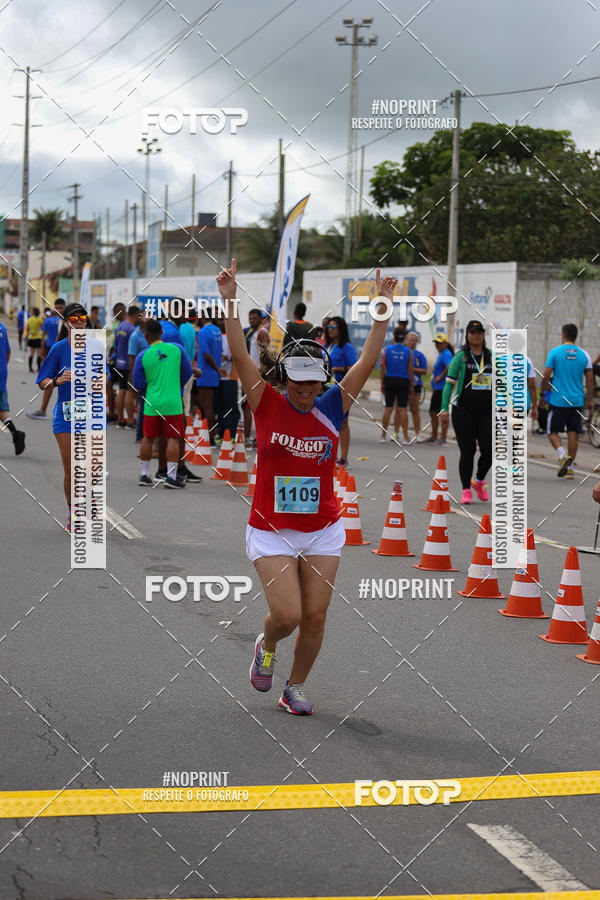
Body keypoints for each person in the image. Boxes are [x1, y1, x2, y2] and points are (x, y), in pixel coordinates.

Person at [218, 258, 396, 716]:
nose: (305, 389)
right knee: (289, 615)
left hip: (322, 528)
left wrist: (382, 311)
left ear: (323, 379)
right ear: (286, 379)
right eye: (297, 381)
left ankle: (293, 687)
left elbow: (368, 359)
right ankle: (267, 643)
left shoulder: (334, 404)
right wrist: (231, 299)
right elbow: (240, 355)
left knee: (316, 616)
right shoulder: (266, 403)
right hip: (271, 529)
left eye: (313, 381)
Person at [36, 303, 103, 531]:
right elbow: (42, 382)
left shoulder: (96, 346)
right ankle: (74, 513)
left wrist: (98, 382)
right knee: (72, 468)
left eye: (82, 318)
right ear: (65, 323)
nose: (79, 322)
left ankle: (91, 497)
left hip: (91, 414)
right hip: (66, 416)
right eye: (73, 319)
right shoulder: (58, 349)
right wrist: (57, 381)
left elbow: (104, 379)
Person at [133, 318, 193, 489]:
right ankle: (171, 477)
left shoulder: (142, 356)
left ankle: (144, 475)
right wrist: (176, 384)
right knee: (173, 438)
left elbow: (137, 383)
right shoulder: (177, 350)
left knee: (148, 438)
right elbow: (187, 372)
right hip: (173, 402)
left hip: (152, 402)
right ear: (162, 332)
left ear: (145, 336)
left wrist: (150, 387)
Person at [440, 319, 492, 505]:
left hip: (486, 411)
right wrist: (444, 408)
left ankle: (478, 480)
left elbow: (502, 384)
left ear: (483, 335)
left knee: (489, 450)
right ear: (467, 335)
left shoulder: (492, 356)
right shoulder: (460, 357)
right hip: (464, 411)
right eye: (473, 332)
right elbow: (448, 385)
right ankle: (466, 490)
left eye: (479, 332)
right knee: (468, 451)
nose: (476, 335)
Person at [540, 323, 593, 478]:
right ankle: (570, 469)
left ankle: (563, 455)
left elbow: (546, 374)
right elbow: (590, 379)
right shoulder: (585, 355)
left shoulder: (555, 352)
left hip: (558, 400)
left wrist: (542, 395)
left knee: (552, 431)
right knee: (573, 432)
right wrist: (589, 399)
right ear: (575, 336)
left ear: (563, 334)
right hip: (577, 400)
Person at [27, 299, 67, 420]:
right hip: (53, 350)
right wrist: (44, 351)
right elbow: (45, 335)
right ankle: (43, 410)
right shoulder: (57, 322)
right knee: (50, 381)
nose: (59, 310)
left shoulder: (68, 322)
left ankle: (76, 417)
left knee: (69, 386)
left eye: (61, 308)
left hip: (68, 354)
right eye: (57, 308)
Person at [326, 316, 357, 466]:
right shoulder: (327, 345)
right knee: (326, 422)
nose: (330, 330)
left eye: (333, 327)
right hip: (323, 389)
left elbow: (355, 367)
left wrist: (338, 369)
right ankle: (327, 456)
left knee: (343, 423)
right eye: (329, 327)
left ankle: (343, 458)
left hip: (341, 389)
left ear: (341, 329)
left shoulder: (347, 347)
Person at [379, 325, 413, 444]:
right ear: (404, 338)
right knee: (402, 409)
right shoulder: (409, 351)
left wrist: (382, 382)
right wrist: (412, 385)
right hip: (403, 380)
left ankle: (383, 436)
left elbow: (383, 366)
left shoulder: (386, 350)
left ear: (393, 336)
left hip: (390, 379)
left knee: (388, 408)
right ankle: (405, 437)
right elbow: (410, 370)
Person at [196, 311, 223, 443]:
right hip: (214, 374)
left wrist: (217, 368)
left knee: (206, 407)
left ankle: (209, 437)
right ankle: (211, 435)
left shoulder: (202, 332)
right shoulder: (217, 330)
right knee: (210, 406)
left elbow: (206, 354)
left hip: (206, 373)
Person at [0, 318, 26, 455]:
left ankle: (16, 434)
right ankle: (16, 433)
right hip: (1, 374)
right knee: (2, 409)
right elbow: (8, 352)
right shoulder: (2, 327)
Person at [214, 316, 240, 440]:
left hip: (231, 376)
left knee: (231, 407)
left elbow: (240, 354)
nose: (221, 322)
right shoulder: (215, 335)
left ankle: (231, 434)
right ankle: (221, 433)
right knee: (219, 407)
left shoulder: (233, 336)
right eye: (219, 319)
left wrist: (228, 358)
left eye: (223, 319)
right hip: (217, 377)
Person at [425, 333, 454, 444]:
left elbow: (450, 365)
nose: (437, 345)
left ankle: (442, 437)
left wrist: (440, 376)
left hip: (442, 388)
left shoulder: (446, 354)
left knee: (441, 412)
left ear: (445, 344)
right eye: (436, 343)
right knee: (433, 412)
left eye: (440, 343)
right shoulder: (442, 354)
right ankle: (434, 435)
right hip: (437, 388)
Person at [112, 304, 137, 428]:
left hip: (119, 363)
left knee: (121, 391)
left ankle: (120, 420)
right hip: (128, 364)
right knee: (129, 392)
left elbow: (115, 347)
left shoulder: (120, 327)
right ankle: (131, 421)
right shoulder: (132, 329)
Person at [128, 312, 149, 443]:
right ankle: (140, 435)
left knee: (147, 405)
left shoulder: (151, 334)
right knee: (142, 405)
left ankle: (145, 433)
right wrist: (134, 379)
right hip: (141, 375)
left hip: (152, 376)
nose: (146, 318)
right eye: (143, 316)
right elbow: (131, 358)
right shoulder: (136, 336)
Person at [405, 331, 427, 442]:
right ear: (406, 341)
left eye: (414, 340)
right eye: (410, 340)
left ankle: (418, 434)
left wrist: (413, 369)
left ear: (417, 342)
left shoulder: (419, 355)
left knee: (415, 410)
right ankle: (399, 433)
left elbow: (425, 371)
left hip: (416, 385)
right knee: (400, 410)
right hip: (403, 385)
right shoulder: (403, 353)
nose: (412, 342)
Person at [25, 308, 43, 373]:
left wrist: (26, 338)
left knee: (31, 354)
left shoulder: (29, 320)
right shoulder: (39, 319)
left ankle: (30, 368)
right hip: (38, 337)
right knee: (39, 354)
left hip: (31, 338)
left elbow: (27, 329)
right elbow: (42, 327)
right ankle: (38, 368)